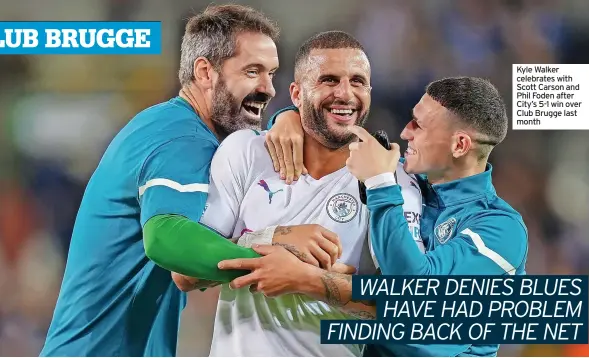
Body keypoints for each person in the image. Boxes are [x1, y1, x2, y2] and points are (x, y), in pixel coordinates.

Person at [40, 5, 304, 356]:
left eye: (271, 73)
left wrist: (287, 116)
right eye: (253, 71)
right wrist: (272, 262)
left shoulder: (179, 129)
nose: (269, 88)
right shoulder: (182, 138)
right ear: (205, 72)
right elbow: (165, 237)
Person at [221, 77, 528, 357]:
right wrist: (288, 118)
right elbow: (334, 141)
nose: (405, 131)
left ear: (459, 145)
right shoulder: (410, 182)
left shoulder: (499, 230)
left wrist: (307, 279)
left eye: (419, 126)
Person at [177, 31, 423, 357]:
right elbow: (185, 272)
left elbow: (410, 306)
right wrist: (274, 239)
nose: (345, 93)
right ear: (297, 93)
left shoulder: (390, 180)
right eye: (329, 80)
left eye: (358, 81)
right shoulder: (245, 152)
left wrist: (306, 279)